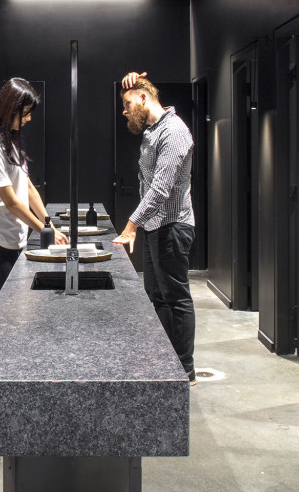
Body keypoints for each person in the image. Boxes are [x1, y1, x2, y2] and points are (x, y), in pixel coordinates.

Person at [113, 71, 197, 385]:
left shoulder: (173, 131)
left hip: (172, 227)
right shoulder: (152, 131)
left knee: (175, 298)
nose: (124, 110)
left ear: (145, 98)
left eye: (127, 102)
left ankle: (184, 370)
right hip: (155, 227)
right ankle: (165, 363)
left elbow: (161, 188)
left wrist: (131, 226)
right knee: (157, 296)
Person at [0, 77, 67, 319]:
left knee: (16, 310)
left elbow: (28, 188)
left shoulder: (9, 141)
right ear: (10, 108)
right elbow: (11, 201)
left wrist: (49, 226)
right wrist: (45, 232)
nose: (28, 119)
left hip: (15, 239)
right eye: (25, 113)